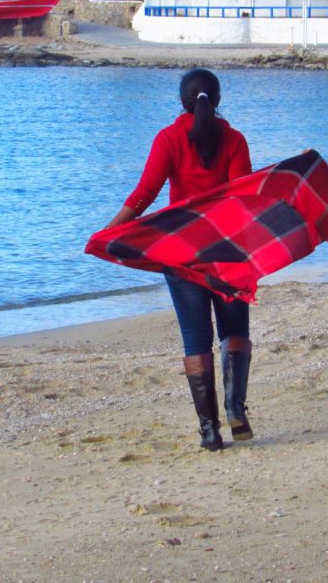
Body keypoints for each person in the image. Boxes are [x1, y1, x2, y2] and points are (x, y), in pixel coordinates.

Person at [105, 69, 253, 452]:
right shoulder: (234, 140)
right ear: (217, 101)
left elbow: (145, 194)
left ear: (182, 101)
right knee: (234, 329)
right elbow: (242, 195)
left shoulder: (169, 138)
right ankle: (236, 406)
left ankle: (209, 430)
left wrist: (108, 233)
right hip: (228, 251)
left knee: (195, 337)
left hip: (182, 251)